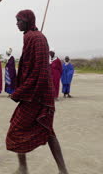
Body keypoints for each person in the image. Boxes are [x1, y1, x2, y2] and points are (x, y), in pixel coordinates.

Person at [6, 10, 69, 174]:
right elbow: (30, 67)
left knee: (17, 128)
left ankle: (24, 168)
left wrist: (21, 91)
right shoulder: (29, 36)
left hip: (38, 96)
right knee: (47, 130)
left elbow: (40, 71)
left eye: (19, 20)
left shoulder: (36, 38)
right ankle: (58, 170)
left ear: (27, 21)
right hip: (33, 94)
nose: (17, 23)